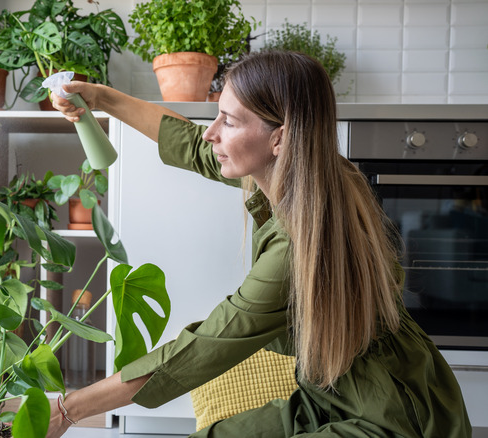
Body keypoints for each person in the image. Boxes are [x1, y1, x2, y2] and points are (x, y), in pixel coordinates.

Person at [46, 50, 472, 438]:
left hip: (391, 418)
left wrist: (68, 409)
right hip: (325, 393)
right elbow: (194, 145)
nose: (211, 133)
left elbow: (202, 349)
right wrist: (101, 99)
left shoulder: (299, 248)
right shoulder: (308, 170)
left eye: (228, 122)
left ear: (280, 138)